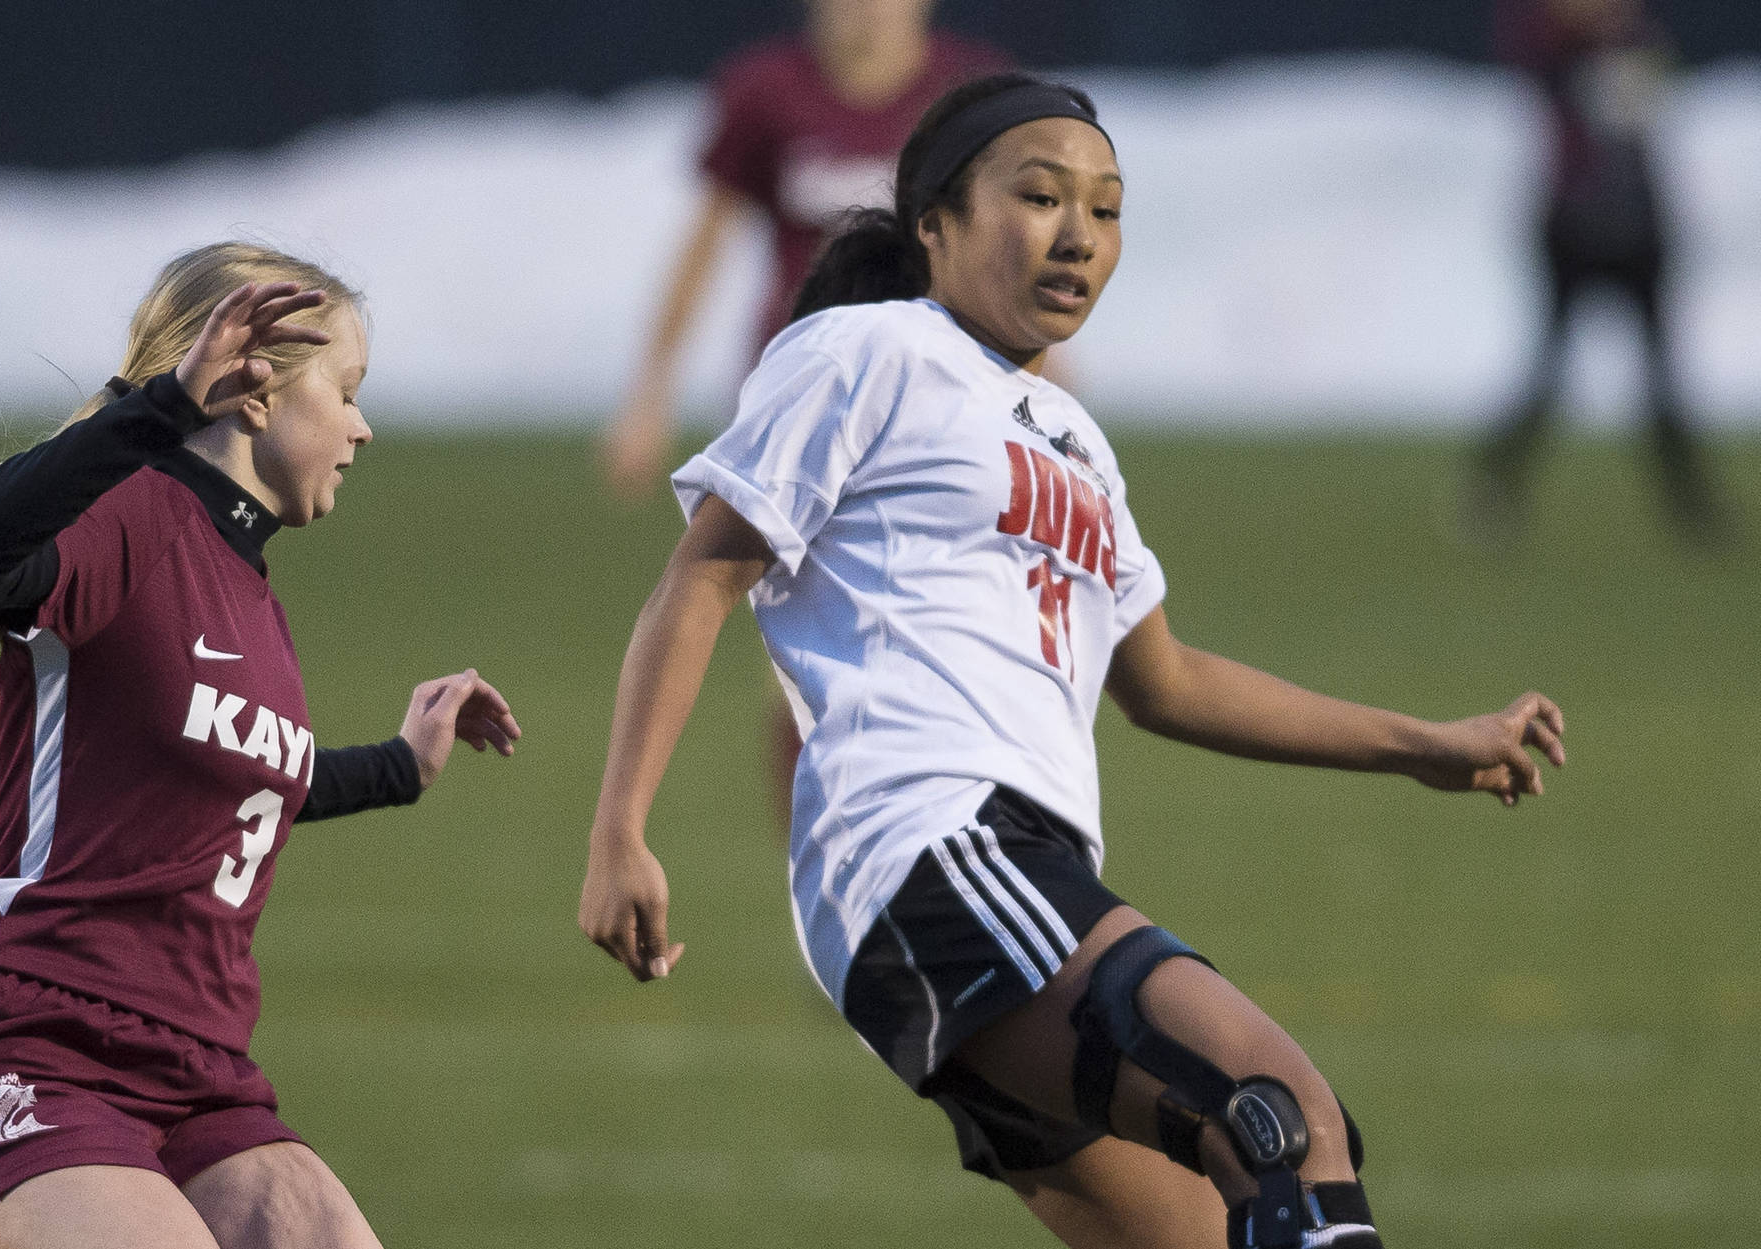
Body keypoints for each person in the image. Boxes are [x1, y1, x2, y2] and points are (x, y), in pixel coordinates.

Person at [578, 75, 1567, 1248]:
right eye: (1038, 196)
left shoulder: (1073, 440)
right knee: (1278, 1122)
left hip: (1012, 877)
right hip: (933, 848)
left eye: (1104, 209)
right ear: (932, 224)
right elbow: (704, 570)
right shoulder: (866, 347)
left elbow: (1167, 682)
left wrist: (1425, 747)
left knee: (1218, 1224)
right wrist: (619, 829)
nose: (1078, 234)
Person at [0, 242, 521, 1249]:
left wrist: (401, 764)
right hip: (35, 1044)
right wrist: (158, 408)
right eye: (345, 391)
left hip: (196, 1076)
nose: (362, 426)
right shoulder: (132, 516)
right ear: (254, 395)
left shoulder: (248, 586)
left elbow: (239, 781)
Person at [602, 0, 1005, 498]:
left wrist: (1041, 364)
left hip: (937, 379)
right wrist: (651, 395)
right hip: (798, 374)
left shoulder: (973, 91)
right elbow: (704, 247)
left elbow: (1003, 246)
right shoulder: (765, 91)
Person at [1474, 0, 1730, 544]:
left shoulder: (1635, 42)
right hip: (1575, 229)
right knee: (1550, 369)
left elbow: (1649, 107)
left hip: (1637, 229)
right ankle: (1494, 483)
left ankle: (1692, 507)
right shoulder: (1553, 49)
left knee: (1661, 380)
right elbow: (1533, 58)